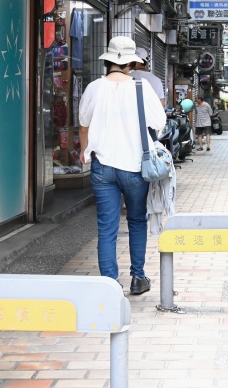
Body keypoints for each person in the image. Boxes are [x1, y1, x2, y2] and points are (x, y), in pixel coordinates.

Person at [79, 36, 166, 295]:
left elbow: (83, 125)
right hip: (134, 166)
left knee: (107, 226)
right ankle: (138, 278)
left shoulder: (94, 87)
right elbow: (159, 123)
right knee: (137, 220)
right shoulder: (141, 87)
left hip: (102, 166)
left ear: (109, 61)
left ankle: (109, 283)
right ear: (131, 63)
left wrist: (85, 153)